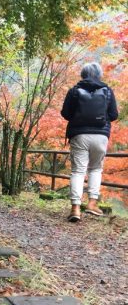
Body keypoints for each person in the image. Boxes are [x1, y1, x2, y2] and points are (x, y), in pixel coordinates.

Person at [61, 62, 118, 222]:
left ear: (83, 74)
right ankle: (92, 203)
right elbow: (113, 115)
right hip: (101, 136)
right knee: (95, 169)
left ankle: (75, 209)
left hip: (79, 135)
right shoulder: (107, 91)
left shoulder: (74, 91)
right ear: (99, 74)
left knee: (78, 171)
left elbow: (65, 113)